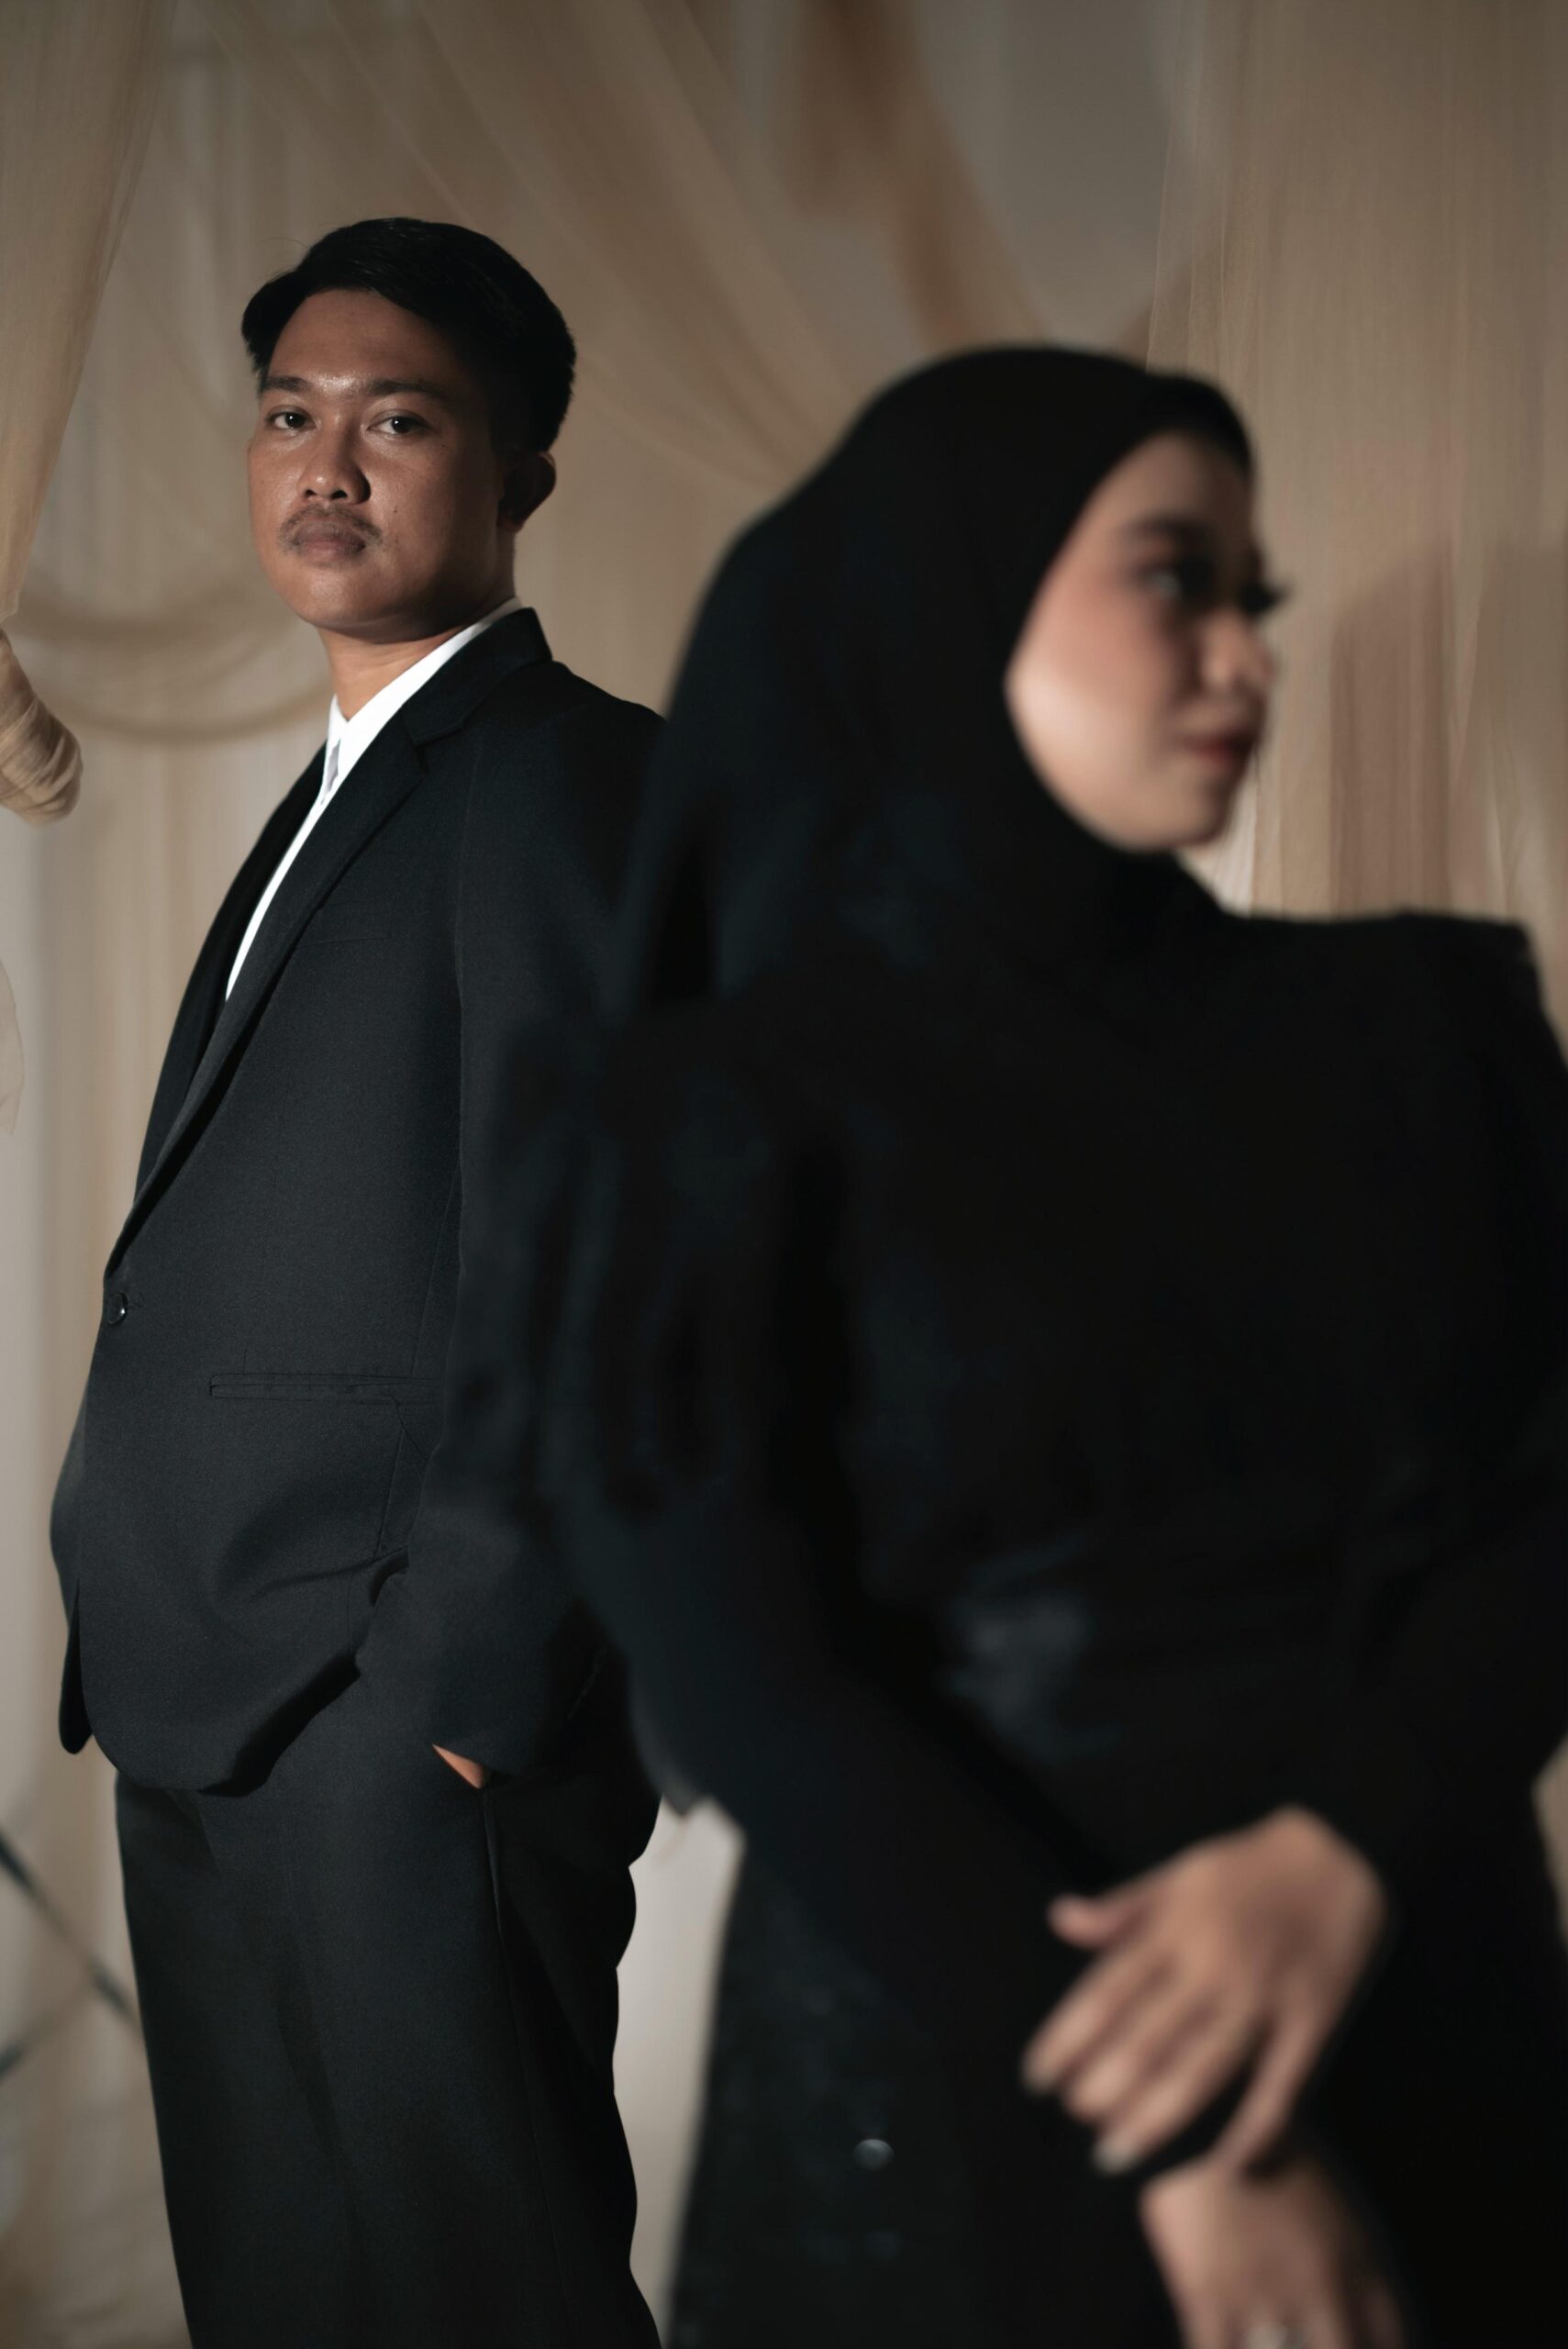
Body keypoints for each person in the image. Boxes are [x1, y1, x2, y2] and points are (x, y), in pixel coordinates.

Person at [504, 350, 1567, 2346]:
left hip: (1417, 1975)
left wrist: (1342, 1851)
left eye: (1256, 595)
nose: (1244, 654)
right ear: (950, 596)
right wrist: (1182, 2142)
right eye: (1176, 579)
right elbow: (736, 1655)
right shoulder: (725, 1109)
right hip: (953, 2029)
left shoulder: (1420, 1033)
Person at [49, 217, 662, 2349]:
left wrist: (465, 1693)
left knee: (482, 2296)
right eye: (290, 414)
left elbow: (603, 1251)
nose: (325, 463)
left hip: (394, 1716)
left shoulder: (572, 775)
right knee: (286, 2296)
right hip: (204, 1677)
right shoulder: (335, 792)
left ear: (519, 474)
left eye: (396, 420)